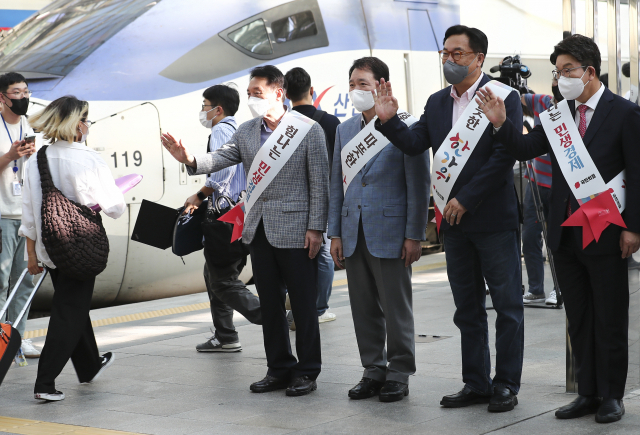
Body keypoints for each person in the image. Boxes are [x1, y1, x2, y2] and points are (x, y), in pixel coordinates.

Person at [478, 34, 640, 423]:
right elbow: (523, 149)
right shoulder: (557, 115)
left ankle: (611, 396)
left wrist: (633, 228)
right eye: (558, 71)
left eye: (567, 70)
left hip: (605, 227)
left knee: (610, 315)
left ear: (589, 71)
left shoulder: (624, 113)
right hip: (564, 231)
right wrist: (501, 125)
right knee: (579, 316)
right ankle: (587, 392)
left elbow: (637, 173)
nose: (560, 77)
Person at [374, 25, 524, 412]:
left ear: (479, 58)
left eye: (458, 53)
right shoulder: (437, 102)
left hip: (492, 220)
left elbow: (504, 156)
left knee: (507, 307)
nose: (449, 60)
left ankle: (506, 384)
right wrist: (389, 120)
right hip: (454, 226)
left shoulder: (504, 96)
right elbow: (413, 143)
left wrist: (467, 198)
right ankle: (476, 382)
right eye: (445, 53)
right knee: (467, 310)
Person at [161, 65, 329, 397]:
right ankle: (279, 368)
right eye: (249, 92)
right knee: (269, 301)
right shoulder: (248, 131)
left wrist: (316, 229)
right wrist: (190, 159)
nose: (252, 98)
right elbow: (221, 158)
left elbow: (320, 185)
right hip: (257, 229)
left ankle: (307, 371)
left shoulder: (308, 129)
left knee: (303, 304)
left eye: (258, 93)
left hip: (296, 229)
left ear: (278, 93)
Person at [328, 57, 428, 402]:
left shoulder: (407, 125)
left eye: (363, 84)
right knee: (363, 306)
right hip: (353, 230)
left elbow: (418, 184)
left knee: (396, 308)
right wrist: (335, 232)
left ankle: (399, 373)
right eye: (352, 84)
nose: (356, 90)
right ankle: (373, 369)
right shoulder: (344, 130)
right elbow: (336, 185)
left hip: (391, 231)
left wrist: (414, 234)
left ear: (382, 85)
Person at [20, 96, 126, 401]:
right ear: (77, 124)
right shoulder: (89, 159)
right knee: (69, 310)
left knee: (73, 304)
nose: (88, 125)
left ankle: (90, 365)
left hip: (50, 247)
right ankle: (45, 383)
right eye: (87, 120)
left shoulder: (36, 159)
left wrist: (32, 255)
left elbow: (29, 213)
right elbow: (116, 208)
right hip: (80, 247)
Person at [173, 84, 262, 353]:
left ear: (218, 109)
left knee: (222, 280)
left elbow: (222, 174)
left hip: (225, 216)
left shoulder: (221, 129)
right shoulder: (239, 129)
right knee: (214, 273)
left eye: (204, 105)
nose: (202, 111)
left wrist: (199, 195)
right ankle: (225, 335)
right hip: (238, 213)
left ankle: (273, 315)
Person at [284, 67, 340, 325]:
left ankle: (295, 304)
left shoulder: (283, 125)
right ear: (312, 91)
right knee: (323, 254)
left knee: (294, 255)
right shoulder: (330, 122)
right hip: (324, 198)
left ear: (284, 95)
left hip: (292, 201)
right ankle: (319, 308)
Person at [0, 72, 39, 358]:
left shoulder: (32, 126)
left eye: (26, 91)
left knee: (25, 280)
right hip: (2, 217)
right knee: (0, 282)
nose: (23, 97)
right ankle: (1, 342)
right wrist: (10, 156)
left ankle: (19, 339)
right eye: (16, 92)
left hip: (28, 219)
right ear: (2, 97)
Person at [520, 84, 558, 305]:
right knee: (529, 236)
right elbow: (518, 100)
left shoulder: (574, 112)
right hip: (534, 182)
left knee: (555, 240)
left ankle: (559, 288)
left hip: (558, 186)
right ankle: (536, 288)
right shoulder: (542, 101)